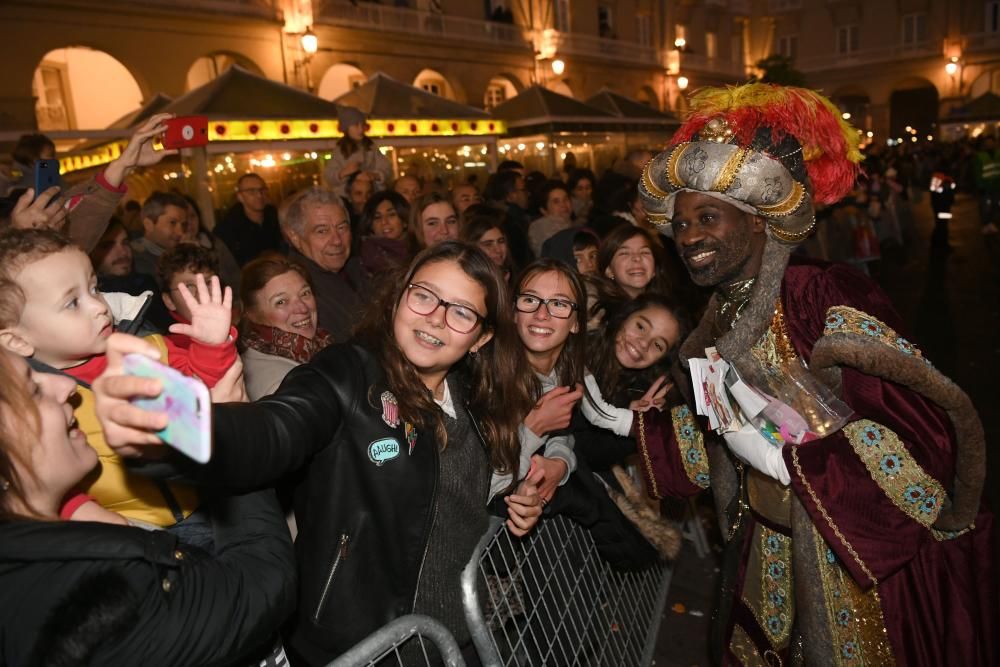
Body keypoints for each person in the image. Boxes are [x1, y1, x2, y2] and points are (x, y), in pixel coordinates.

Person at [637, 82, 997, 664]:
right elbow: (728, 433)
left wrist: (794, 463)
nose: (691, 236)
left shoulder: (822, 292)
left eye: (708, 217)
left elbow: (923, 433)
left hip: (855, 561)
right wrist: (623, 430)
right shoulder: (716, 316)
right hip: (767, 547)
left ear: (758, 223)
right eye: (680, 224)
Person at [92, 241, 544, 665]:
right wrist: (181, 424)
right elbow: (277, 427)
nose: (435, 319)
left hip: (459, 630)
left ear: (482, 338)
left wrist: (513, 500)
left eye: (462, 312)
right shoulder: (346, 374)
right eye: (424, 296)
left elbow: (444, 493)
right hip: (372, 644)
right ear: (398, 298)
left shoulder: (469, 395)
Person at [0, 342, 296, 667]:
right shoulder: (79, 604)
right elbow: (261, 586)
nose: (66, 385)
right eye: (33, 390)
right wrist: (232, 443)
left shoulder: (59, 538)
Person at [0, 229, 236, 536]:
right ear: (17, 340)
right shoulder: (31, 407)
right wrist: (81, 512)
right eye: (72, 303)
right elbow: (37, 485)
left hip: (212, 503)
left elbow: (214, 401)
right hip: (136, 532)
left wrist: (211, 345)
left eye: (94, 289)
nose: (100, 306)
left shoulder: (150, 350)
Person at [279, 187, 370, 342]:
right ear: (295, 237)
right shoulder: (301, 294)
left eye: (342, 227)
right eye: (322, 231)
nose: (337, 240)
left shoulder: (356, 269)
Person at [238, 256, 331, 400]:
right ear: (252, 315)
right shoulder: (280, 386)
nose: (302, 308)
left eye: (305, 293)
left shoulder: (318, 345)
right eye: (281, 302)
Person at [215, 173, 285, 266]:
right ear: (240, 196)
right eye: (251, 191)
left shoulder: (278, 219)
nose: (259, 195)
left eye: (262, 190)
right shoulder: (228, 228)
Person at [323, 106, 392, 197]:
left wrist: (374, 175)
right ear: (346, 128)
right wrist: (343, 173)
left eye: (362, 125)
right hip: (346, 198)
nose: (360, 129)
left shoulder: (370, 147)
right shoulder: (339, 150)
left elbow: (386, 168)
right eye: (356, 125)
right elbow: (328, 175)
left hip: (372, 196)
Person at [181, 194, 242, 296]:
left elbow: (235, 277)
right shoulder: (171, 253)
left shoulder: (214, 243)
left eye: (192, 216)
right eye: (184, 219)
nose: (189, 223)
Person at [597, 225, 670, 298]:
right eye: (625, 253)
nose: (637, 258)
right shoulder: (601, 308)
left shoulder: (667, 306)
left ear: (654, 268)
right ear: (609, 270)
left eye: (644, 252)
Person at [132, 191, 188, 283]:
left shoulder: (175, 252)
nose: (180, 232)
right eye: (172, 223)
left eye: (183, 224)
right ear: (148, 224)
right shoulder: (136, 260)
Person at [484, 169, 533, 268]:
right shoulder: (509, 223)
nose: (528, 194)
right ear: (510, 196)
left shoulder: (515, 218)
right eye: (523, 190)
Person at [358, 190, 412, 276]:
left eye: (391, 215)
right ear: (370, 225)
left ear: (404, 221)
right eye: (377, 217)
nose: (384, 222)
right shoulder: (367, 258)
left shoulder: (418, 250)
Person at [460, 204, 513, 279]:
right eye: (488, 244)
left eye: (501, 241)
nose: (498, 250)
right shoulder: (466, 280)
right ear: (472, 248)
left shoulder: (511, 276)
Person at [528, 180, 575, 256]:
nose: (563, 204)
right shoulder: (543, 230)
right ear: (543, 210)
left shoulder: (570, 225)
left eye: (566, 199)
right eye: (556, 202)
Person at [974, 134, 1000, 235]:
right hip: (985, 186)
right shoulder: (980, 156)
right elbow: (977, 172)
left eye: (991, 142)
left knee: (995, 205)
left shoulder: (998, 154)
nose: (989, 144)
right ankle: (986, 224)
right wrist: (980, 186)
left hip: (996, 186)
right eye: (987, 143)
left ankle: (991, 223)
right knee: (985, 207)